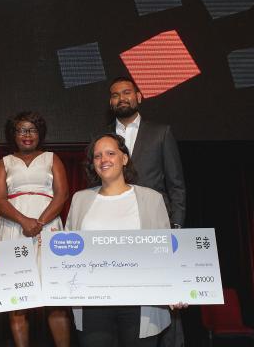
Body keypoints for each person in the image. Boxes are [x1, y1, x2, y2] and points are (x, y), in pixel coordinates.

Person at [66, 134, 181, 347]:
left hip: (141, 303)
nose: (104, 160)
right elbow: (68, 252)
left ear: (125, 158)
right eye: (97, 156)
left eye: (111, 153)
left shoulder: (151, 198)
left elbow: (166, 250)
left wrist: (175, 287)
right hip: (92, 303)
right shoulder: (80, 199)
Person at [105, 76, 187, 347]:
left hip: (155, 229)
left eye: (127, 92)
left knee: (164, 305)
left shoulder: (161, 132)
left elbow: (176, 186)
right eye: (115, 95)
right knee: (123, 307)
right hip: (115, 233)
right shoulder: (102, 139)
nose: (121, 98)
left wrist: (175, 229)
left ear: (139, 96)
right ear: (110, 102)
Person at [0, 112, 70, 347]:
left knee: (55, 298)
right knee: (18, 299)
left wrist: (40, 222)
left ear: (40, 134)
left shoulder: (51, 158)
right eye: (21, 130)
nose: (27, 135)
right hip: (13, 229)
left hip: (48, 228)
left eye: (32, 130)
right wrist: (24, 221)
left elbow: (62, 193)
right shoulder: (3, 162)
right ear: (13, 135)